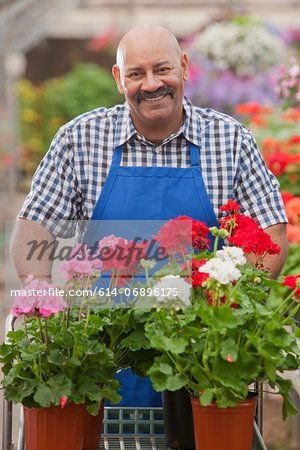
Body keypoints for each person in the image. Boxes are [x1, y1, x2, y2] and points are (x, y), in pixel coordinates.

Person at [11, 24, 288, 405]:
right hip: (99, 355)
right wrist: (39, 301)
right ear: (118, 79)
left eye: (163, 69)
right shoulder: (81, 139)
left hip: (200, 356)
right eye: (136, 73)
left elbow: (270, 234)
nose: (152, 83)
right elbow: (34, 226)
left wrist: (233, 315)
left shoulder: (229, 139)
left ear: (185, 67)